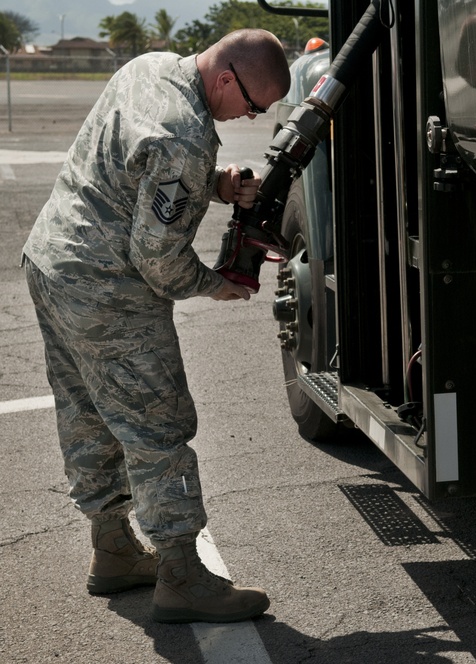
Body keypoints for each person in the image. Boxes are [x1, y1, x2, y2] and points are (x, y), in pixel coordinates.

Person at [21, 29, 291, 624]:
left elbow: (135, 159)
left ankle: (112, 550)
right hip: (108, 286)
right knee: (157, 427)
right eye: (253, 104)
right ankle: (181, 576)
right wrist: (215, 283)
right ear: (226, 79)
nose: (252, 115)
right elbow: (159, 259)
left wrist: (216, 182)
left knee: (88, 414)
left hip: (53, 262)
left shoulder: (151, 67)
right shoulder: (185, 136)